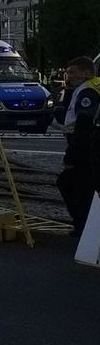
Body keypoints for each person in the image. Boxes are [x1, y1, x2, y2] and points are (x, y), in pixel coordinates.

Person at [56, 57, 100, 236]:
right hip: (89, 143)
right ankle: (84, 227)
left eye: (73, 72)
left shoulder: (88, 91)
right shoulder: (87, 88)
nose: (69, 77)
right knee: (81, 186)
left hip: (86, 145)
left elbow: (83, 124)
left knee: (74, 185)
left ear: (87, 73)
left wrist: (71, 155)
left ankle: (84, 228)